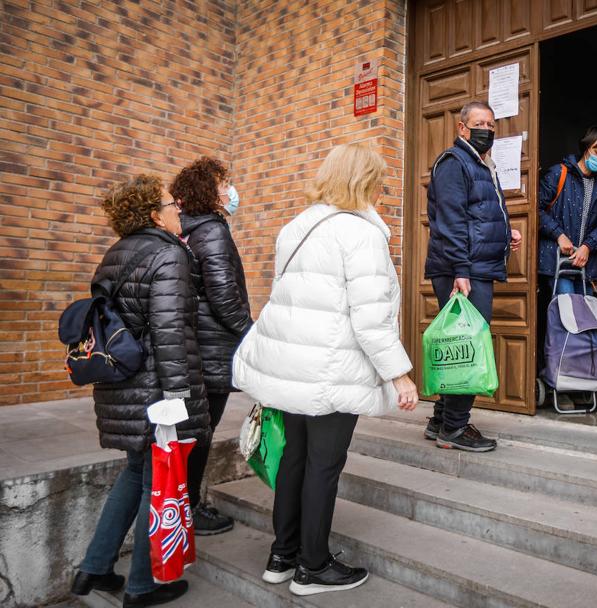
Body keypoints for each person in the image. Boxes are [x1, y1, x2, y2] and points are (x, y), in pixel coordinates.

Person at [232, 143, 419, 596]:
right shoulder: (360, 234)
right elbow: (370, 318)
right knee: (323, 466)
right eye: (378, 178)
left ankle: (284, 554)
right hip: (332, 368)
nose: (382, 187)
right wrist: (400, 374)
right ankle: (313, 567)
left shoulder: (296, 227)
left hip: (294, 367)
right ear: (363, 181)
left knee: (294, 459)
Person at [72, 175, 209, 607]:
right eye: (172, 204)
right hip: (155, 391)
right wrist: (177, 398)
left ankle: (93, 569)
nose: (179, 208)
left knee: (135, 474)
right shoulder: (169, 254)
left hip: (121, 384)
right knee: (156, 483)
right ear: (154, 214)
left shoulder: (117, 253)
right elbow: (169, 332)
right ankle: (142, 586)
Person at [423, 100, 521, 452]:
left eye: (492, 125)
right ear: (462, 128)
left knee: (459, 342)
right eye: (480, 123)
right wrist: (461, 271)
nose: (487, 130)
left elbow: (476, 214)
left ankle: (440, 421)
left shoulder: (480, 163)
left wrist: (505, 231)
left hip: (473, 266)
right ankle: (455, 428)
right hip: (460, 270)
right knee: (468, 346)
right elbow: (449, 220)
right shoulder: (454, 163)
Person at [170, 157, 253, 535]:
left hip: (192, 343)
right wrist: (251, 332)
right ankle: (190, 509)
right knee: (201, 430)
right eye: (223, 184)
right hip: (212, 346)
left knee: (191, 429)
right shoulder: (212, 231)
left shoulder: (184, 229)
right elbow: (223, 296)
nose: (229, 191)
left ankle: (184, 506)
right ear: (209, 191)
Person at [537, 126, 597, 297]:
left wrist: (587, 246)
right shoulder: (559, 173)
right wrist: (559, 235)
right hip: (558, 261)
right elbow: (536, 210)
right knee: (567, 315)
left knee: (585, 318)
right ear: (586, 147)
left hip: (586, 265)